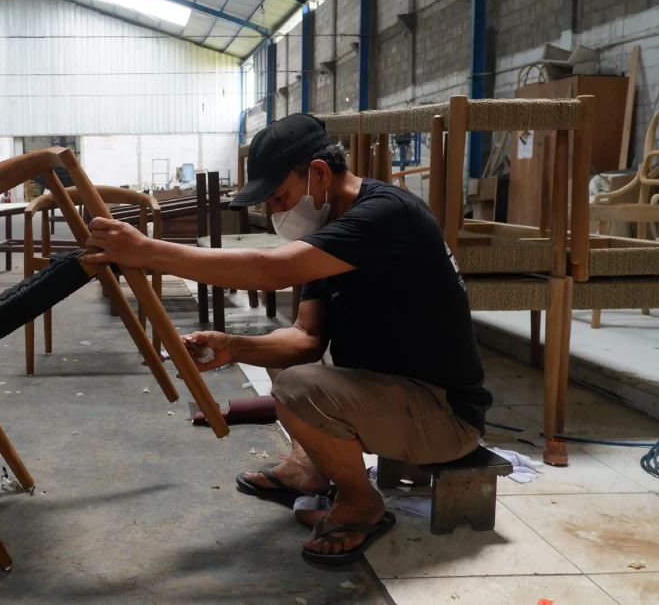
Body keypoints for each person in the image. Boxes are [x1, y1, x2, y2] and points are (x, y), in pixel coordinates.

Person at [80, 113, 493, 565]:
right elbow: (306, 338)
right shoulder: (329, 232)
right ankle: (307, 470)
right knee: (286, 352)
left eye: (281, 197)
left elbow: (272, 271)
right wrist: (233, 347)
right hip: (391, 394)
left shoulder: (386, 213)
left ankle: (361, 503)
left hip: (444, 415)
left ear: (317, 174)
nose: (277, 213)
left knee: (299, 388)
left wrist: (149, 251)